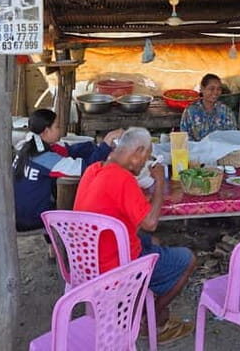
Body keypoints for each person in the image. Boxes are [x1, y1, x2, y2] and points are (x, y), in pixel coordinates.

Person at [73, 127, 195, 344]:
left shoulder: (94, 169)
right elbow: (150, 223)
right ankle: (149, 319)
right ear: (138, 152)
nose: (144, 165)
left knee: (153, 242)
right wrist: (159, 182)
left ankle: (141, 300)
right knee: (188, 259)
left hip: (85, 260)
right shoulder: (123, 179)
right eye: (146, 158)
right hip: (116, 267)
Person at [11, 108, 123, 231]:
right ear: (46, 131)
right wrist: (106, 144)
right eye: (57, 127)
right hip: (32, 219)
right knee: (78, 210)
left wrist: (96, 146)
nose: (60, 130)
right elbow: (87, 167)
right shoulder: (45, 158)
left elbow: (68, 150)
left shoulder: (28, 146)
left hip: (17, 213)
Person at [179, 73, 237, 141]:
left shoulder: (226, 111)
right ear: (202, 89)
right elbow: (184, 136)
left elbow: (232, 135)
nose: (215, 92)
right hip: (197, 147)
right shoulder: (190, 111)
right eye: (211, 89)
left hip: (220, 147)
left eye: (219, 89)